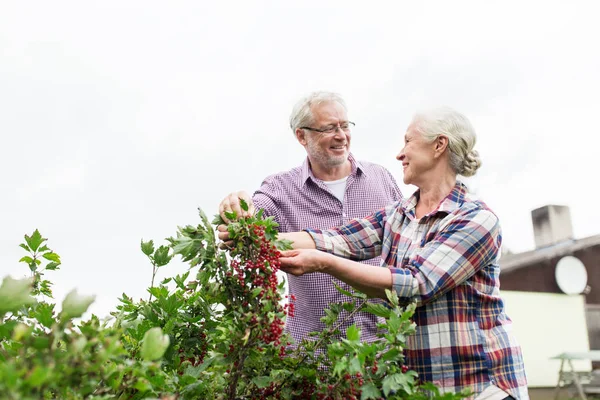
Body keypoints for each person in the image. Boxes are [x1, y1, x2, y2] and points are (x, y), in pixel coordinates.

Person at [274, 107, 529, 400]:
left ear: (438, 145)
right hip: (425, 390)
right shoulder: (399, 214)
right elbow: (335, 239)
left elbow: (415, 284)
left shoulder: (475, 219)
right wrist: (256, 236)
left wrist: (326, 264)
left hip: (481, 388)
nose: (399, 154)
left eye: (408, 141)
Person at [218, 91, 402, 347]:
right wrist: (238, 209)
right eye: (329, 128)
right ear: (301, 136)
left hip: (384, 350)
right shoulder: (280, 188)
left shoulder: (380, 179)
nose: (341, 135)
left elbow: (407, 243)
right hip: (314, 357)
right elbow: (253, 216)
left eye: (345, 125)